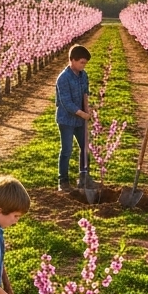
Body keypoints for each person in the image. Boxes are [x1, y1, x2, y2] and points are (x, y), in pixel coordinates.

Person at [55, 44, 91, 192]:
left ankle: (84, 176)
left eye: (85, 63)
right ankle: (63, 180)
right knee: (67, 150)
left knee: (85, 147)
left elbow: (86, 93)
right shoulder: (63, 78)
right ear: (72, 60)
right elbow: (66, 102)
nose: (83, 66)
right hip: (66, 120)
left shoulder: (83, 75)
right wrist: (81, 113)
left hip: (80, 120)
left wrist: (88, 108)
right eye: (81, 62)